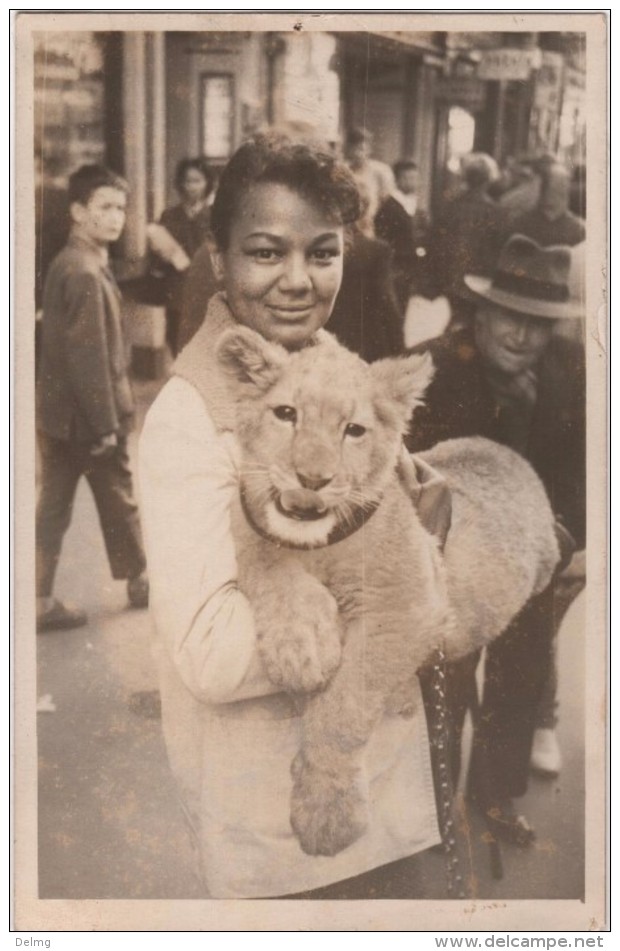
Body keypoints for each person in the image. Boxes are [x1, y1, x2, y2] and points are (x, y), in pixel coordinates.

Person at [139, 134, 443, 899]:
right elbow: (210, 651)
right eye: (267, 253)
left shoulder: (330, 366)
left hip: (388, 795)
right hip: (277, 831)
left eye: (324, 252)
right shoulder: (189, 414)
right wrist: (395, 609)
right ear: (217, 253)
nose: (298, 282)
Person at [407, 234, 585, 843]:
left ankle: (494, 797)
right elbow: (398, 476)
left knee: (521, 677)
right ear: (480, 310)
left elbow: (588, 473)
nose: (521, 337)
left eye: (539, 324)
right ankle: (431, 808)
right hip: (449, 571)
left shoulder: (573, 375)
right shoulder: (428, 373)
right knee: (442, 687)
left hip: (533, 564)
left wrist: (564, 539)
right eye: (509, 316)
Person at [36, 164, 149, 632]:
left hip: (59, 418)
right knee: (120, 498)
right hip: (92, 419)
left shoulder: (70, 261)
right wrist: (106, 424)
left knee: (54, 506)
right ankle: (141, 580)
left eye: (121, 208)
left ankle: (37, 597)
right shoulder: (84, 271)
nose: (116, 217)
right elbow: (90, 359)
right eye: (104, 207)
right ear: (78, 212)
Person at [429, 152, 509, 326]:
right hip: (481, 276)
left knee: (457, 316)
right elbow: (498, 248)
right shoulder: (495, 212)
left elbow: (436, 241)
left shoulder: (451, 206)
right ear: (489, 180)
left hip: (452, 274)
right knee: (474, 321)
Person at [150, 157, 214, 356]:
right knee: (178, 346)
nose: (192, 187)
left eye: (198, 181)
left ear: (207, 183)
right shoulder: (169, 216)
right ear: (180, 184)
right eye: (188, 181)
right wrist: (160, 254)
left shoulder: (216, 217)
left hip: (207, 293)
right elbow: (156, 265)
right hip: (177, 293)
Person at [374, 160, 431, 310]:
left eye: (415, 178)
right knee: (394, 306)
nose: (413, 183)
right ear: (398, 180)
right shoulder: (389, 207)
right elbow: (383, 239)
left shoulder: (411, 204)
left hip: (407, 266)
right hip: (395, 266)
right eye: (408, 178)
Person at [511, 162, 585, 248]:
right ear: (543, 190)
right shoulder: (578, 229)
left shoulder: (578, 230)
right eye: (554, 190)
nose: (556, 196)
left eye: (561, 191)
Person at [344, 127, 395, 237]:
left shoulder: (380, 171)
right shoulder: (344, 171)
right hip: (349, 223)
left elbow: (387, 201)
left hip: (372, 225)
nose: (358, 154)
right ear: (348, 150)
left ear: (369, 149)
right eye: (354, 149)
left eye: (362, 149)